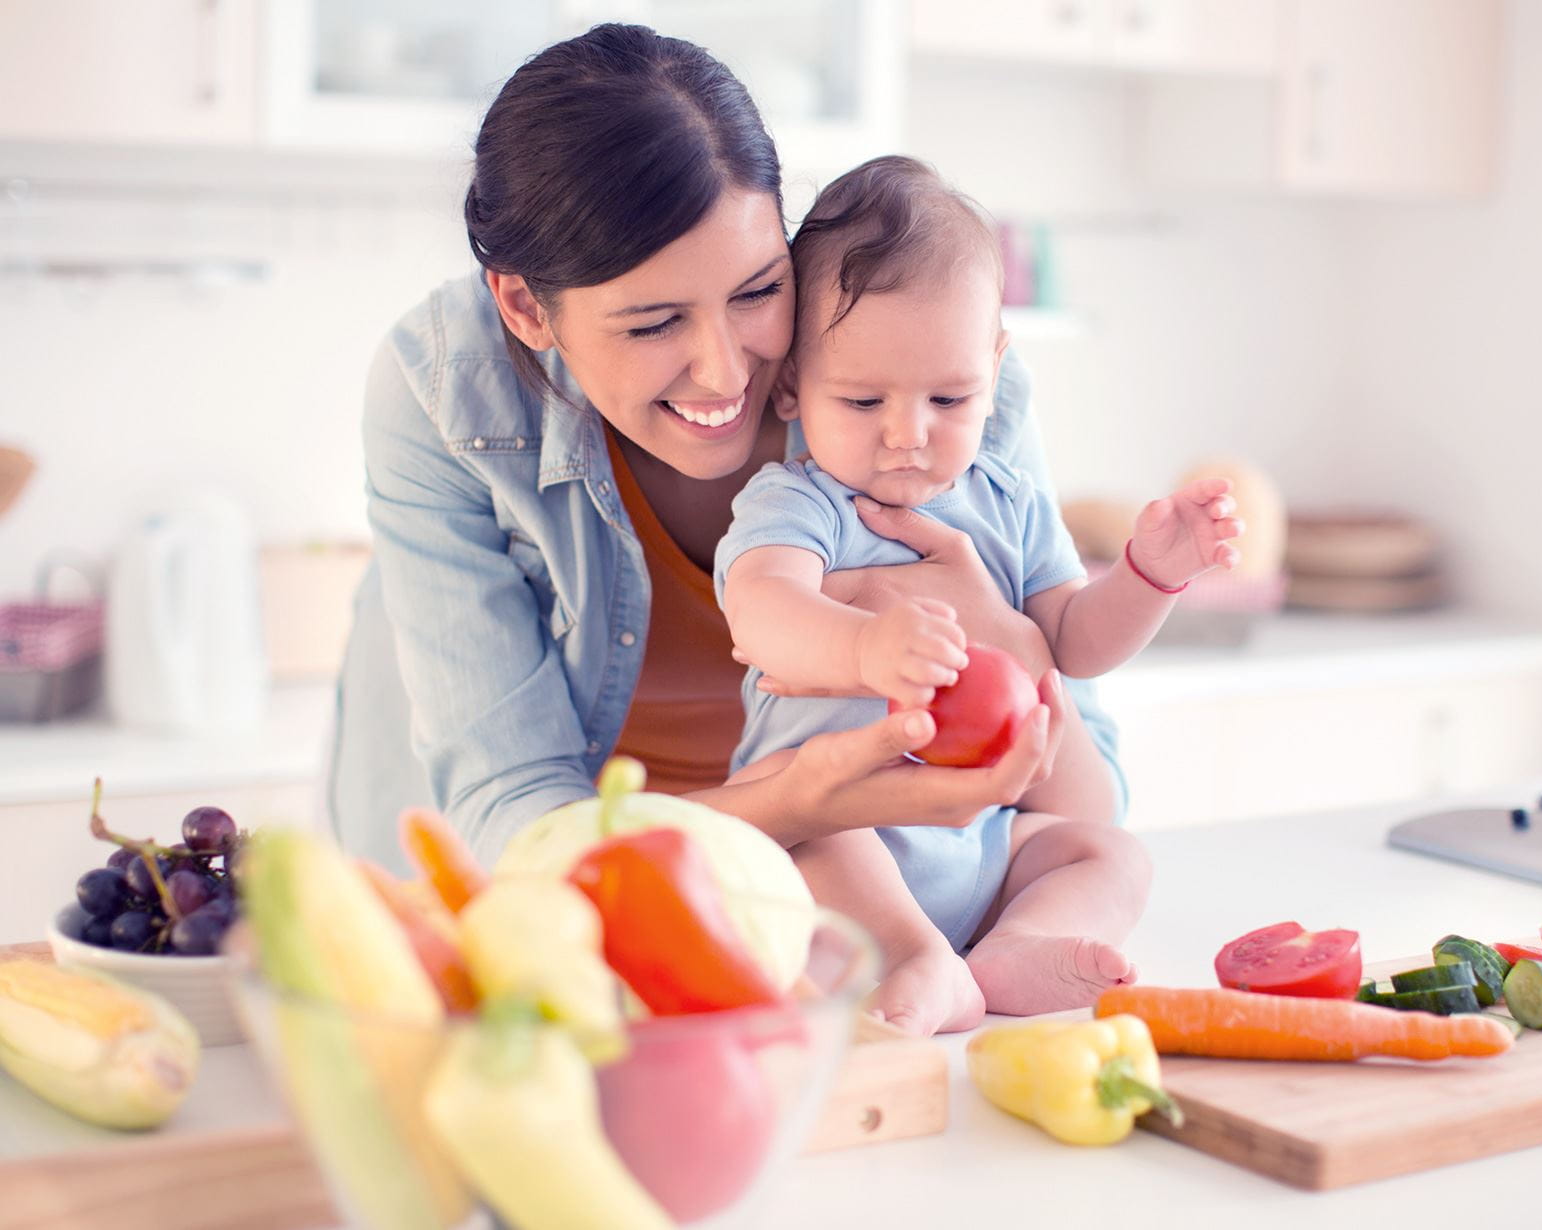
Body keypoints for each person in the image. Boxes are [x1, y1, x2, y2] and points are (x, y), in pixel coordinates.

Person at [326, 24, 1126, 909]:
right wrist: (790, 804)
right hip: (567, 894)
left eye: (757, 291)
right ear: (524, 306)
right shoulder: (448, 394)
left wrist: (1008, 637)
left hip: (797, 899)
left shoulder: (923, 379)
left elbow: (1092, 800)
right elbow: (516, 823)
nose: (727, 369)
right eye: (653, 323)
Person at [715, 157, 1242, 1034]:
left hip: (986, 840)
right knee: (809, 846)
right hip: (846, 830)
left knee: (1111, 855)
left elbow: (1074, 644)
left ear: (994, 368)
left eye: (949, 396)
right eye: (862, 398)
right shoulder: (799, 503)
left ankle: (1014, 948)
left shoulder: (1008, 501)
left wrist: (1152, 576)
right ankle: (918, 957)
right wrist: (861, 649)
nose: (907, 435)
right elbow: (761, 606)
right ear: (793, 387)